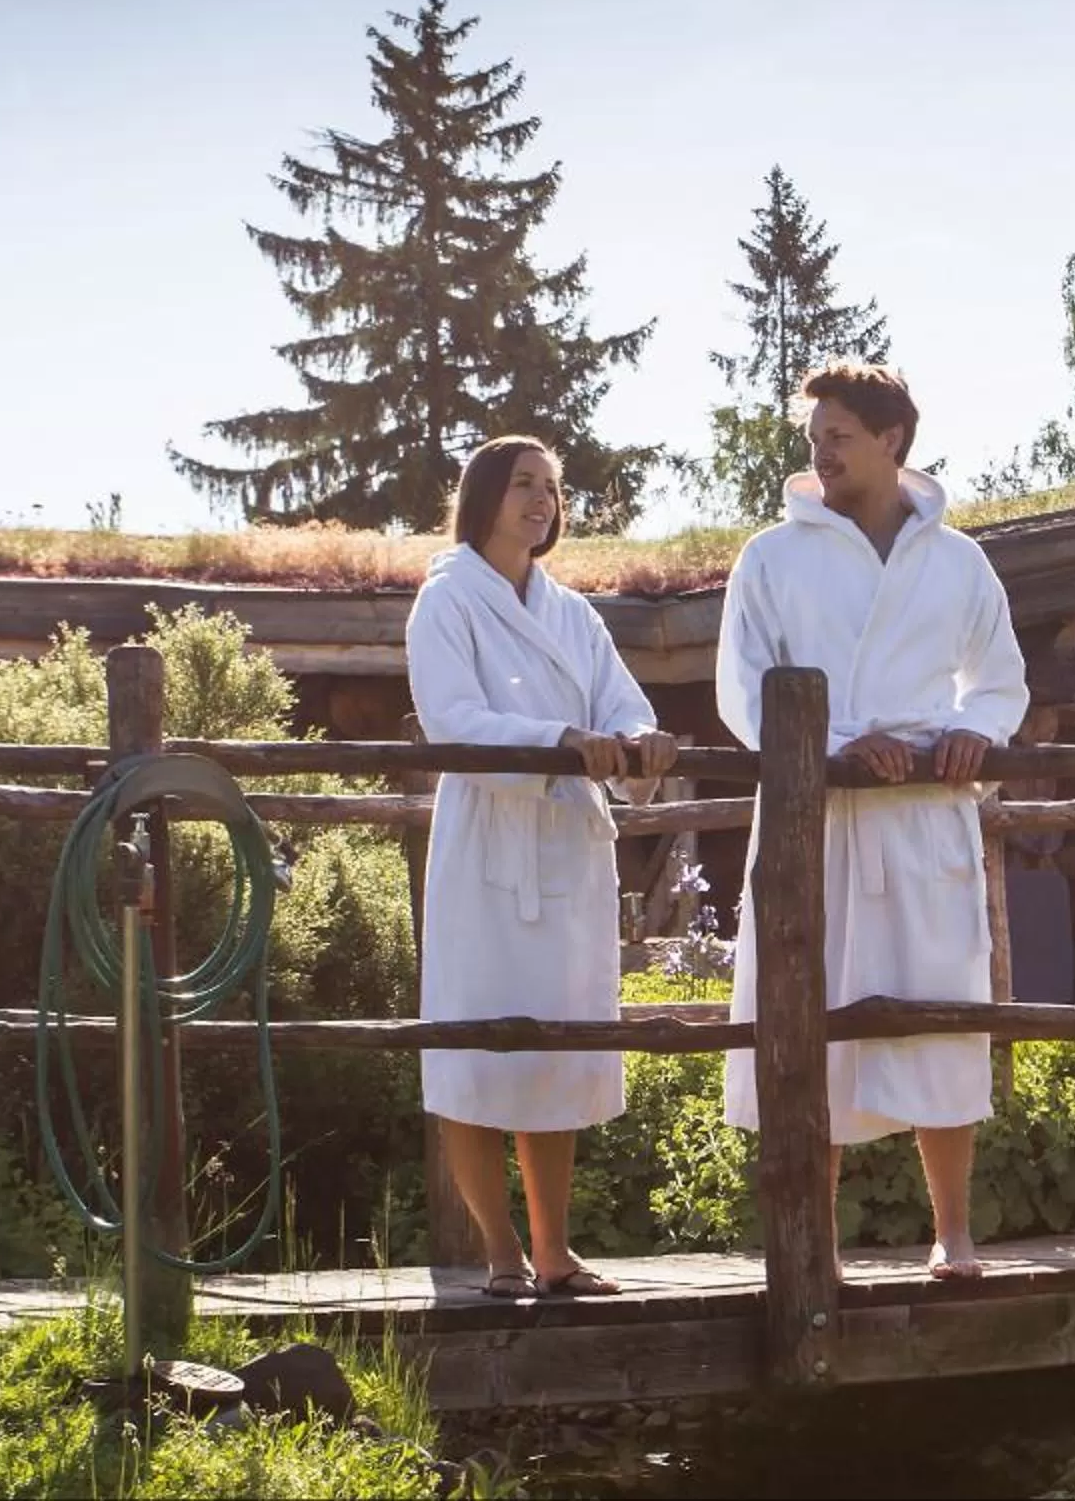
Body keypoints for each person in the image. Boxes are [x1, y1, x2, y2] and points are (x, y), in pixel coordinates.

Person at [718, 360, 1029, 1281]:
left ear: (891, 440)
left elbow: (999, 678)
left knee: (941, 1014)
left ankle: (953, 1233)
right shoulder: (773, 556)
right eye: (815, 440)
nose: (822, 455)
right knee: (806, 1016)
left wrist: (971, 733)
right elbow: (743, 690)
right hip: (813, 821)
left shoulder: (957, 559)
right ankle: (815, 1244)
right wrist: (838, 745)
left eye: (839, 438)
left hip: (923, 820)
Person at [406, 435, 678, 1297]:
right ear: (483, 495)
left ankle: (555, 1250)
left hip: (564, 850)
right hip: (488, 847)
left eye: (552, 490)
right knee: (476, 1045)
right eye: (524, 485)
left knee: (558, 1046)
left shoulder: (573, 613)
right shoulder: (444, 602)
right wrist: (554, 739)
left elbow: (618, 698)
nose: (542, 503)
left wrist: (641, 740)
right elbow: (451, 719)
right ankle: (498, 1251)